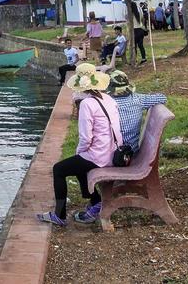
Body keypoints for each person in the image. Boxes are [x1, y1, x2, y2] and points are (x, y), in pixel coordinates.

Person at [38, 67, 122, 227]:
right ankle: (95, 201)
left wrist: (79, 153)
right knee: (79, 163)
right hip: (113, 152)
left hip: (100, 156)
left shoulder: (87, 104)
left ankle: (59, 215)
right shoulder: (108, 98)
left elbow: (86, 138)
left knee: (59, 169)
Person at [105, 69, 167, 152]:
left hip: (110, 152)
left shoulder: (105, 103)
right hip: (131, 150)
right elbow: (162, 98)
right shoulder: (138, 99)